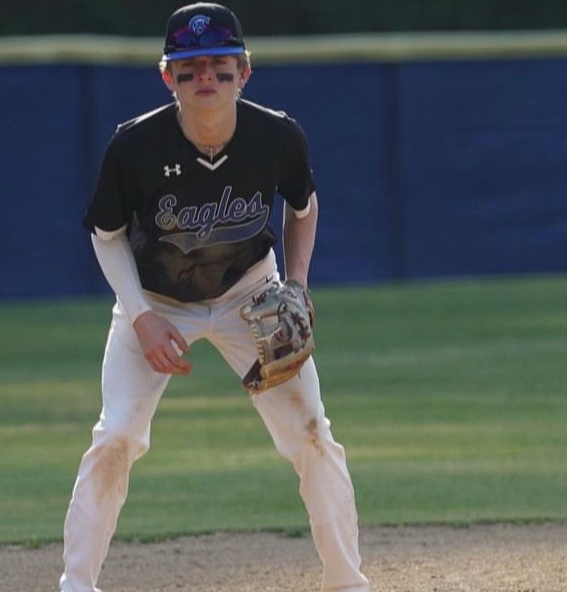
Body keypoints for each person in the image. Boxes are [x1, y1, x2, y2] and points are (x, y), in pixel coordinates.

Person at [60, 3, 370, 591]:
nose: (206, 75)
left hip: (249, 294)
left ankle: (346, 582)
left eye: (219, 64)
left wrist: (298, 286)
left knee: (311, 433)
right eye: (190, 65)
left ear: (243, 72)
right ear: (167, 77)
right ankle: (76, 585)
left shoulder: (276, 135)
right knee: (117, 435)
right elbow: (106, 234)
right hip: (155, 299)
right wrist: (141, 317)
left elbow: (303, 207)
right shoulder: (135, 145)